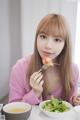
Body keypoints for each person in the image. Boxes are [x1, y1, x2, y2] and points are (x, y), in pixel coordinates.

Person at [9, 13, 80, 106]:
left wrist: (75, 100)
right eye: (43, 36)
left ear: (65, 45)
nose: (48, 46)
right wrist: (35, 93)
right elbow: (12, 110)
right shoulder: (20, 68)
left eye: (57, 40)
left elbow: (71, 98)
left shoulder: (73, 70)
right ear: (37, 38)